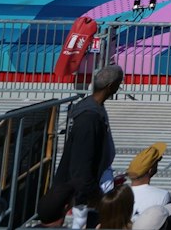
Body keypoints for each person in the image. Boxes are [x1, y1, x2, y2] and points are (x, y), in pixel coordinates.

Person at [40, 66, 122, 226]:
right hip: (86, 194)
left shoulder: (93, 108)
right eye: (119, 83)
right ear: (111, 86)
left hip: (90, 186)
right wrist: (94, 196)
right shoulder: (89, 119)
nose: (120, 87)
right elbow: (81, 166)